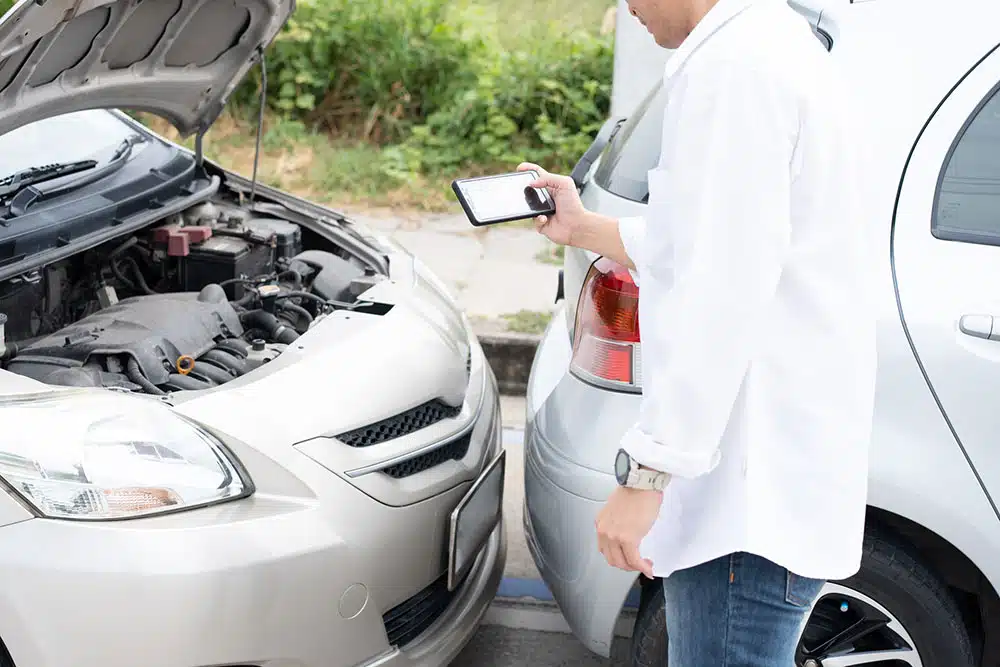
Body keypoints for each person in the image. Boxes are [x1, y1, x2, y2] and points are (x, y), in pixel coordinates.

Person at [517, 0, 877, 663]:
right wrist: (584, 227)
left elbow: (722, 290)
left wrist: (648, 474)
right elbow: (709, 238)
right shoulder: (770, 44)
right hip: (765, 477)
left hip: (745, 497)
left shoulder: (737, 68)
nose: (625, 7)